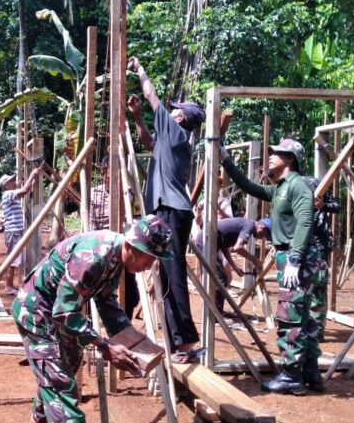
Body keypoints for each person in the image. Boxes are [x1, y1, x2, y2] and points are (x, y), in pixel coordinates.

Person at [11, 214, 175, 423]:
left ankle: (40, 419)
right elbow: (64, 312)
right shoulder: (94, 256)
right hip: (36, 312)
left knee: (70, 360)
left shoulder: (116, 259)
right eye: (148, 259)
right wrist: (104, 346)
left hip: (56, 312)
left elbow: (106, 302)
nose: (149, 266)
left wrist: (132, 340)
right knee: (61, 384)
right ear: (134, 247)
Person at [220, 138, 321, 394]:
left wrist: (295, 259)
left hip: (296, 257)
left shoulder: (298, 185)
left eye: (277, 153)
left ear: (290, 159)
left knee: (290, 317)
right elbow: (249, 186)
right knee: (305, 318)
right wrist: (226, 161)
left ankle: (291, 377)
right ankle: (310, 374)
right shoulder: (279, 188)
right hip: (293, 256)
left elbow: (305, 222)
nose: (271, 156)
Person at [126, 56, 205, 362]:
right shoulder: (169, 138)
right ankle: (177, 343)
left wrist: (141, 69)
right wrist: (137, 118)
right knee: (165, 275)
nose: (170, 111)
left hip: (172, 210)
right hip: (166, 209)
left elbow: (150, 95)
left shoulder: (177, 133)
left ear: (182, 118)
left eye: (175, 110)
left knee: (174, 274)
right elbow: (148, 143)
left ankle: (185, 344)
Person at [88, 155, 141, 319]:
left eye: (119, 171)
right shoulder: (94, 194)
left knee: (131, 295)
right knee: (91, 291)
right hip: (99, 250)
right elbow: (90, 224)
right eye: (112, 171)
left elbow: (138, 219)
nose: (116, 176)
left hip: (124, 250)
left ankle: (126, 324)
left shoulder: (129, 194)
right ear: (104, 172)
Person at [194, 217, 271, 315]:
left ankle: (216, 312)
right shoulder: (249, 226)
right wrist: (256, 260)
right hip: (206, 240)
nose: (262, 238)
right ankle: (215, 314)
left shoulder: (246, 224)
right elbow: (238, 247)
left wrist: (234, 267)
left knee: (220, 277)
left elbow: (224, 246)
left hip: (209, 240)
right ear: (262, 228)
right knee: (219, 278)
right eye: (264, 235)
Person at [305, 176, 341, 345]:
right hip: (304, 246)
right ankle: (307, 328)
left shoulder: (322, 197)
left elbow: (336, 206)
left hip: (320, 246)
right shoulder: (299, 197)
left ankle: (317, 331)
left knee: (318, 287)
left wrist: (322, 205)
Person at [0, 165, 41, 295]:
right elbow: (24, 191)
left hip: (15, 230)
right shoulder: (8, 194)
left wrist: (32, 180)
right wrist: (33, 175)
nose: (14, 181)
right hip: (14, 230)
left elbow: (25, 190)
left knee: (15, 257)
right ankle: (8, 286)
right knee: (13, 258)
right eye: (11, 181)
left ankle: (10, 285)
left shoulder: (10, 194)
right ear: (6, 185)